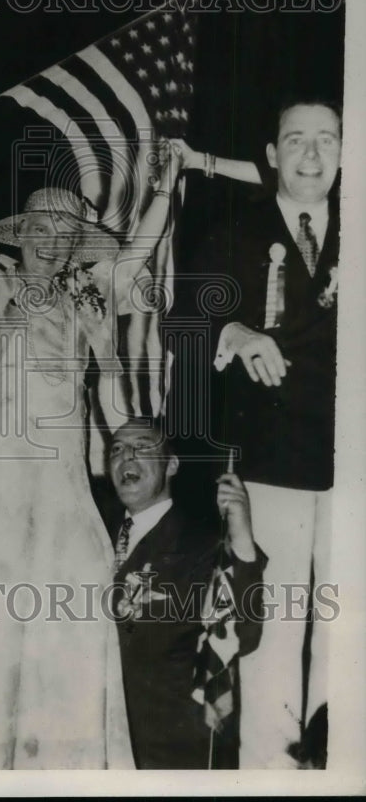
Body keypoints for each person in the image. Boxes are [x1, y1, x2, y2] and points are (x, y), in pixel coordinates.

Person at [0, 111, 184, 769]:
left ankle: (52, 769)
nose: (51, 241)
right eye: (39, 229)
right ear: (22, 236)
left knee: (67, 614)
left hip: (58, 483)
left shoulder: (83, 304)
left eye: (64, 233)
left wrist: (165, 187)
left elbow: (138, 256)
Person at [197, 100, 341, 768]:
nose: (312, 155)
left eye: (327, 140)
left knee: (352, 629)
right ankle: (268, 777)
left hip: (355, 466)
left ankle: (339, 768)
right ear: (273, 155)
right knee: (274, 630)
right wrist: (237, 331)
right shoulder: (235, 229)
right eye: (296, 141)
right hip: (275, 462)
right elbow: (188, 314)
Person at [105, 420, 265, 769]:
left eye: (142, 447)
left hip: (169, 754)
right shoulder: (92, 533)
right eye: (116, 450)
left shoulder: (203, 545)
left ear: (172, 465)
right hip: (95, 742)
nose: (125, 457)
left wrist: (241, 536)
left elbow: (244, 634)